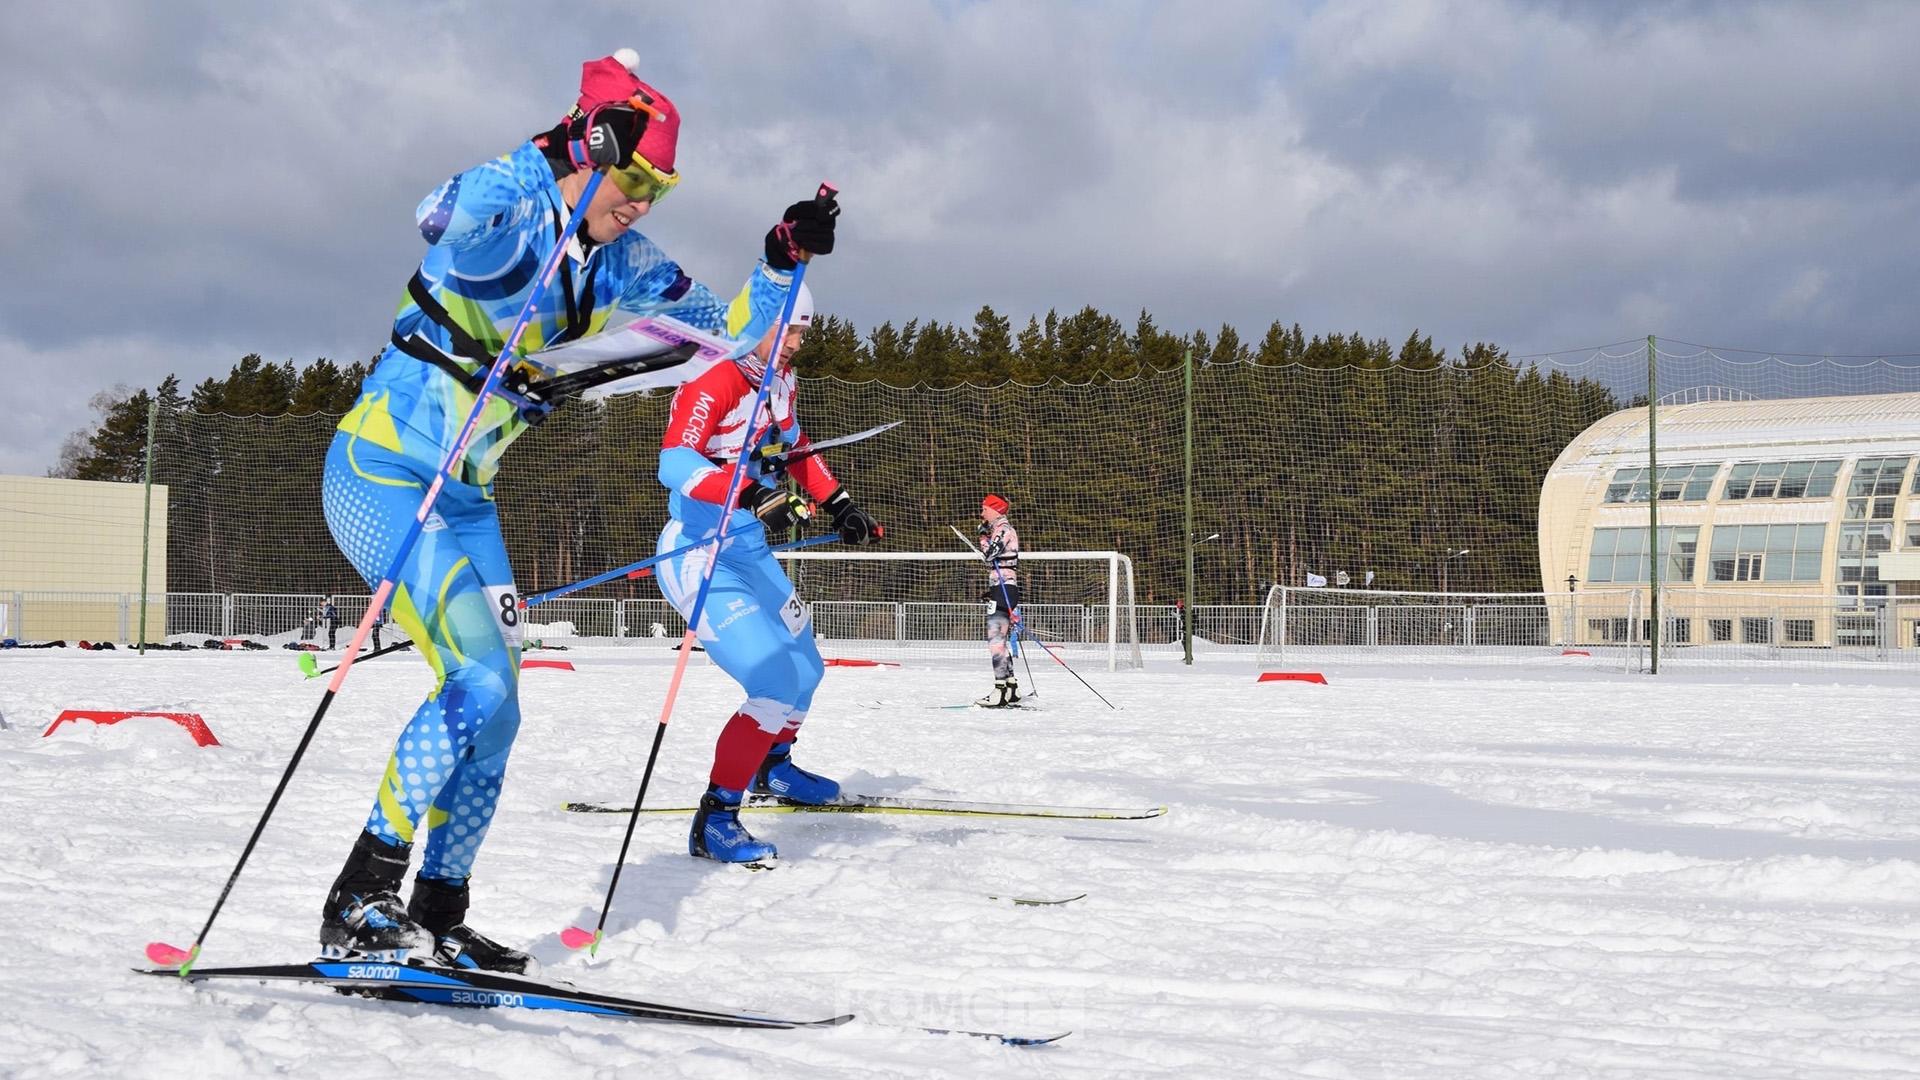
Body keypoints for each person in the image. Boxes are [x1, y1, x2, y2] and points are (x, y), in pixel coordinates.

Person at [315, 51, 838, 969]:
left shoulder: (622, 260)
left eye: (657, 188)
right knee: (473, 681)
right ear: (590, 146)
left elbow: (732, 337)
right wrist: (551, 145)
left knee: (501, 708)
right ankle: (361, 895)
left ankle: (438, 908)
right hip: (383, 470)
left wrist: (778, 257)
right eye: (630, 175)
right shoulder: (508, 222)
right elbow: (438, 211)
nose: (640, 200)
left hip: (466, 499)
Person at [653, 282, 882, 864]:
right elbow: (674, 461)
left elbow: (796, 446)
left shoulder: (778, 381)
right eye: (791, 330)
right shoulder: (718, 376)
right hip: (699, 556)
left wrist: (840, 503)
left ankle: (771, 770)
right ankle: (716, 818)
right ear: (755, 323)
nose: (798, 343)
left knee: (806, 667)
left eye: (805, 331)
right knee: (773, 680)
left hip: (747, 549)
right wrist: (753, 491)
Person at [974, 494, 1023, 707]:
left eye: (984, 508)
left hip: (1005, 588)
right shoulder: (1000, 529)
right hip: (1001, 587)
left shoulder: (1002, 529)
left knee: (995, 640)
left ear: (995, 509)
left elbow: (990, 555)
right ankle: (1011, 688)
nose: (982, 513)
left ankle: (999, 690)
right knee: (1000, 640)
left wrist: (983, 537)